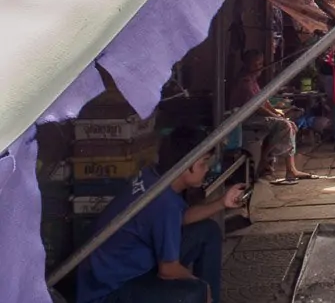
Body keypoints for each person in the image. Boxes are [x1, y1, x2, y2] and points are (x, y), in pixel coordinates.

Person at [77, 127, 246, 303]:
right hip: (110, 289)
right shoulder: (164, 202)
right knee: (194, 293)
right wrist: (203, 288)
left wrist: (221, 203)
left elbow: (180, 218)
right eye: (203, 163)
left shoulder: (154, 177)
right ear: (184, 166)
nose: (206, 169)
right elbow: (167, 270)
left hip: (131, 264)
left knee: (208, 231)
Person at [230, 49, 313, 182]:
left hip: (256, 116)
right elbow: (257, 107)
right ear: (247, 64)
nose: (259, 67)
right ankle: (269, 162)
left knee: (289, 122)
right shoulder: (245, 81)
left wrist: (276, 112)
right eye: (255, 64)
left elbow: (264, 100)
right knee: (284, 125)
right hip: (245, 119)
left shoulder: (253, 79)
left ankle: (284, 167)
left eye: (260, 64)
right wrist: (278, 117)